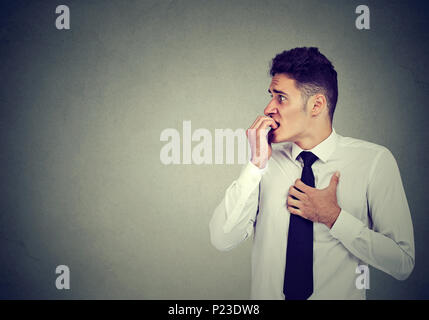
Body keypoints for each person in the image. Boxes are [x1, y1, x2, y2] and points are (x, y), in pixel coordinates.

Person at [209, 47, 415, 300]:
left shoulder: (374, 161)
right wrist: (255, 165)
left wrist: (334, 218)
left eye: (281, 98)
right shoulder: (265, 161)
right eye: (271, 96)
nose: (269, 108)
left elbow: (402, 263)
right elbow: (222, 238)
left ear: (317, 104)